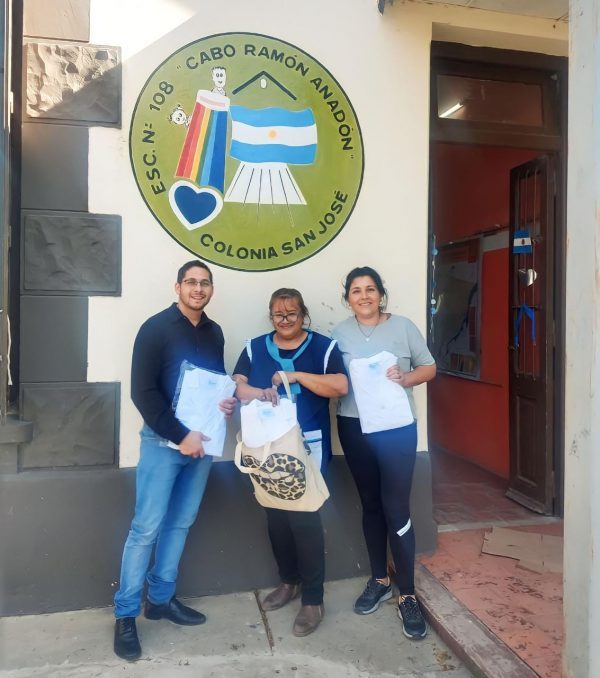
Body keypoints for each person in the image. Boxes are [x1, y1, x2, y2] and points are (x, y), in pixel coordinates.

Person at [113, 260, 237, 661]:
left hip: (201, 446)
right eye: (191, 282)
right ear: (178, 286)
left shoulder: (215, 332)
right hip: (163, 443)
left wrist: (225, 403)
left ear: (211, 289)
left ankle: (161, 600)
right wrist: (180, 435)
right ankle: (126, 615)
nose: (198, 288)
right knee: (145, 528)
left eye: (205, 283)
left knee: (180, 523)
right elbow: (142, 392)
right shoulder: (155, 328)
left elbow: (213, 383)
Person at [233, 288, 348, 637]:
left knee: (305, 519)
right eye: (278, 315)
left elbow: (340, 386)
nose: (284, 320)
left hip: (309, 446)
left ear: (303, 314)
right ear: (270, 316)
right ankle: (289, 582)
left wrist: (296, 377)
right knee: (276, 517)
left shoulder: (322, 347)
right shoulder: (254, 348)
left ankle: (313, 599)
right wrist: (259, 393)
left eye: (291, 314)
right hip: (267, 448)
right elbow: (237, 387)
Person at [332, 266, 436, 640]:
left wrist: (406, 378)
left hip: (396, 429)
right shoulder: (339, 334)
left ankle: (407, 594)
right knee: (371, 505)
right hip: (354, 427)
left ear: (380, 294)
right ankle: (379, 580)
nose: (364, 296)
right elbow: (333, 381)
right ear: (348, 298)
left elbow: (430, 367)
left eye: (370, 289)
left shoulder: (403, 327)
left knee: (397, 509)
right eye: (356, 290)